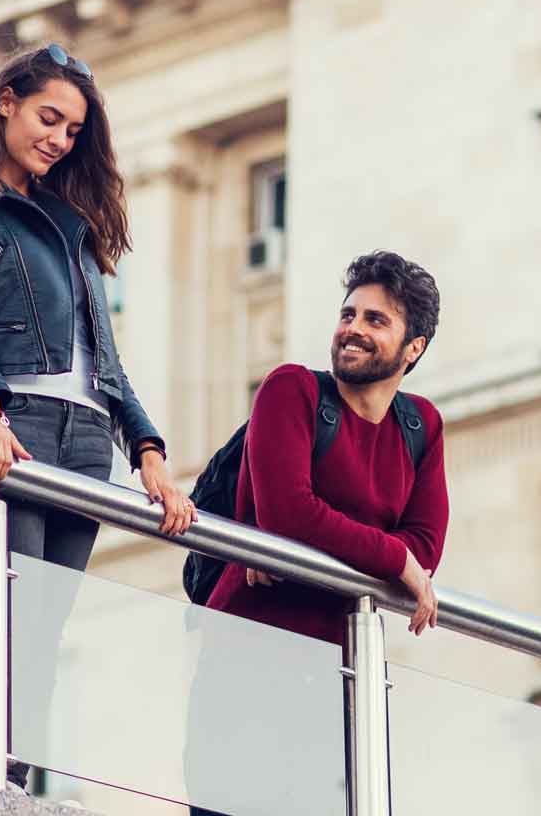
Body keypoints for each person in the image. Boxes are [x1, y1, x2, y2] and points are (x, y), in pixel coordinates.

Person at [0, 43, 194, 787]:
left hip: (86, 443)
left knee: (44, 636)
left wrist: (151, 454)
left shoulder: (71, 230)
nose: (59, 139)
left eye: (72, 130)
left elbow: (106, 357)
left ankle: (9, 790)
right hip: (18, 427)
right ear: (5, 101)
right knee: (2, 620)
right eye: (48, 117)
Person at [186, 250, 449, 815]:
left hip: (343, 671)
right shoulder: (292, 391)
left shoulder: (420, 425)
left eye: (375, 320)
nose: (352, 329)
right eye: (348, 314)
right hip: (248, 659)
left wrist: (394, 557)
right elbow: (288, 514)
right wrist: (392, 558)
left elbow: (426, 548)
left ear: (413, 348)